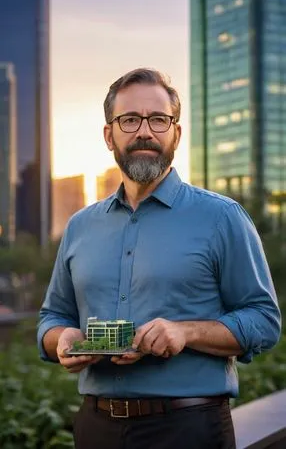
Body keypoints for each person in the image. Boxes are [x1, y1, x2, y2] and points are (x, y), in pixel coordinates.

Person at [38, 68, 281, 449]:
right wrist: (61, 340)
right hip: (94, 429)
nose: (144, 131)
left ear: (176, 133)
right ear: (109, 134)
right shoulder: (79, 226)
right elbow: (52, 317)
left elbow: (264, 321)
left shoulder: (222, 217)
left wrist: (185, 332)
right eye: (130, 119)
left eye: (158, 119)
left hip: (190, 429)